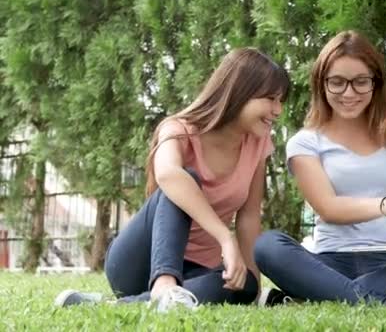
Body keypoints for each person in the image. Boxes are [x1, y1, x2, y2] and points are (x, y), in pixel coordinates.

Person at [55, 48, 289, 312]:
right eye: (270, 98)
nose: (278, 110)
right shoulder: (179, 129)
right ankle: (163, 283)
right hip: (139, 261)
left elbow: (248, 218)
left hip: (196, 271)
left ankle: (119, 305)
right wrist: (225, 238)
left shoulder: (257, 145)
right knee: (183, 179)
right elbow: (168, 174)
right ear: (239, 92)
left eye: (281, 100)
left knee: (245, 286)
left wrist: (253, 287)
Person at [254, 31, 386, 306]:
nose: (349, 93)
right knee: (268, 246)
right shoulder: (305, 143)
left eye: (360, 82)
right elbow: (328, 208)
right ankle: (375, 298)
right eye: (337, 82)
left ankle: (322, 297)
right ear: (321, 85)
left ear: (376, 84)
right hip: (328, 263)